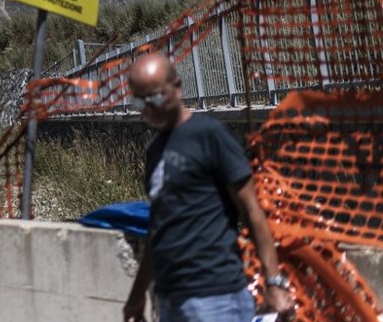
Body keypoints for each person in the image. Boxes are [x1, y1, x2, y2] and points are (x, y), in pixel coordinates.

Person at [122, 53, 295, 322]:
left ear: (177, 87)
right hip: (170, 298)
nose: (148, 108)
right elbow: (158, 228)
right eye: (138, 101)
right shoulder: (155, 149)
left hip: (216, 298)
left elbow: (251, 210)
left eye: (155, 98)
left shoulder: (210, 136)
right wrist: (137, 294)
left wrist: (274, 281)